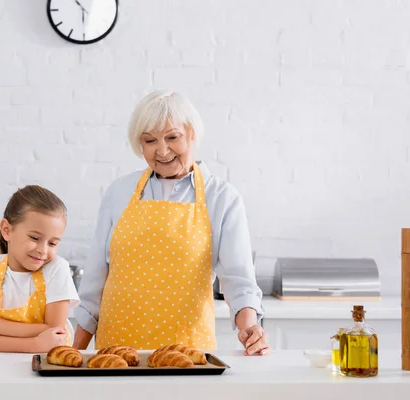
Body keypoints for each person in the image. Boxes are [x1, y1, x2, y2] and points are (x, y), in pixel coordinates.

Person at [73, 90, 269, 356]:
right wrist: (71, 357)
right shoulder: (119, 192)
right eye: (150, 140)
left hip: (186, 355)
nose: (162, 151)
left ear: (191, 134)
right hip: (116, 354)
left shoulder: (221, 197)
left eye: (172, 137)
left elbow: (238, 281)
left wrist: (249, 329)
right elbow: (94, 285)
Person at [0, 185, 80, 353]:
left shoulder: (57, 269)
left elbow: (56, 334)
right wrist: (38, 342)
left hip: (47, 370)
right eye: (34, 238)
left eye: (52, 243)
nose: (43, 250)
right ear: (7, 230)